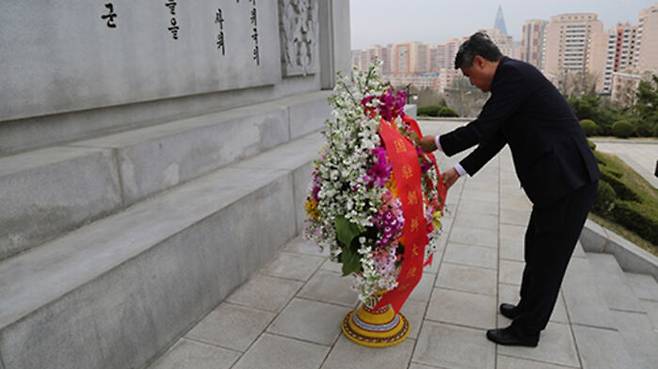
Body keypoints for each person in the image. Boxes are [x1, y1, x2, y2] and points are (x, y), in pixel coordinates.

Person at [419, 32, 600, 347]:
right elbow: (497, 136)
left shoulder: (513, 76)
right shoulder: (511, 80)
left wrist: (434, 143)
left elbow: (481, 129)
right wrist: (457, 172)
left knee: (548, 260)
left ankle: (527, 330)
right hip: (554, 185)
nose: (472, 83)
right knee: (535, 248)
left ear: (480, 61)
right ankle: (526, 309)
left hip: (569, 182)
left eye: (470, 76)